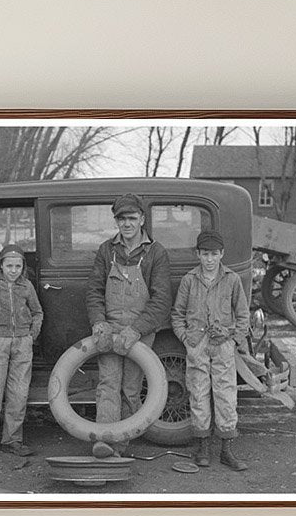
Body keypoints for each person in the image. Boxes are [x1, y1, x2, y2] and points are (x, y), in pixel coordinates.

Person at [85, 193, 172, 455]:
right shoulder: (106, 250)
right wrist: (99, 323)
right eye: (121, 219)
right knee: (108, 384)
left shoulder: (156, 252)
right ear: (116, 221)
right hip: (109, 329)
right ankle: (104, 440)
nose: (127, 223)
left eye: (132, 218)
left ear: (142, 219)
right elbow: (94, 291)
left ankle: (121, 444)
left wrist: (136, 330)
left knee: (131, 388)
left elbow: (161, 300)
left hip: (140, 332)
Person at [171, 229, 250, 471]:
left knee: (226, 395)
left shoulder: (232, 279)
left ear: (221, 254)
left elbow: (243, 315)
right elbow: (177, 314)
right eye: (205, 254)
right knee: (198, 393)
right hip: (197, 345)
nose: (209, 259)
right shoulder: (189, 280)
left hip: (223, 345)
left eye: (214, 254)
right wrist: (186, 338)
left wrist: (234, 341)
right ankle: (203, 447)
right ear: (198, 254)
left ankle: (226, 450)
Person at [0, 243, 44, 458]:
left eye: (18, 266)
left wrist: (31, 336)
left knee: (19, 394)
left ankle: (12, 440)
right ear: (0, 266)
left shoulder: (27, 287)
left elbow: (37, 312)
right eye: (9, 265)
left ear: (23, 267)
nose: (13, 270)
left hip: (22, 344)